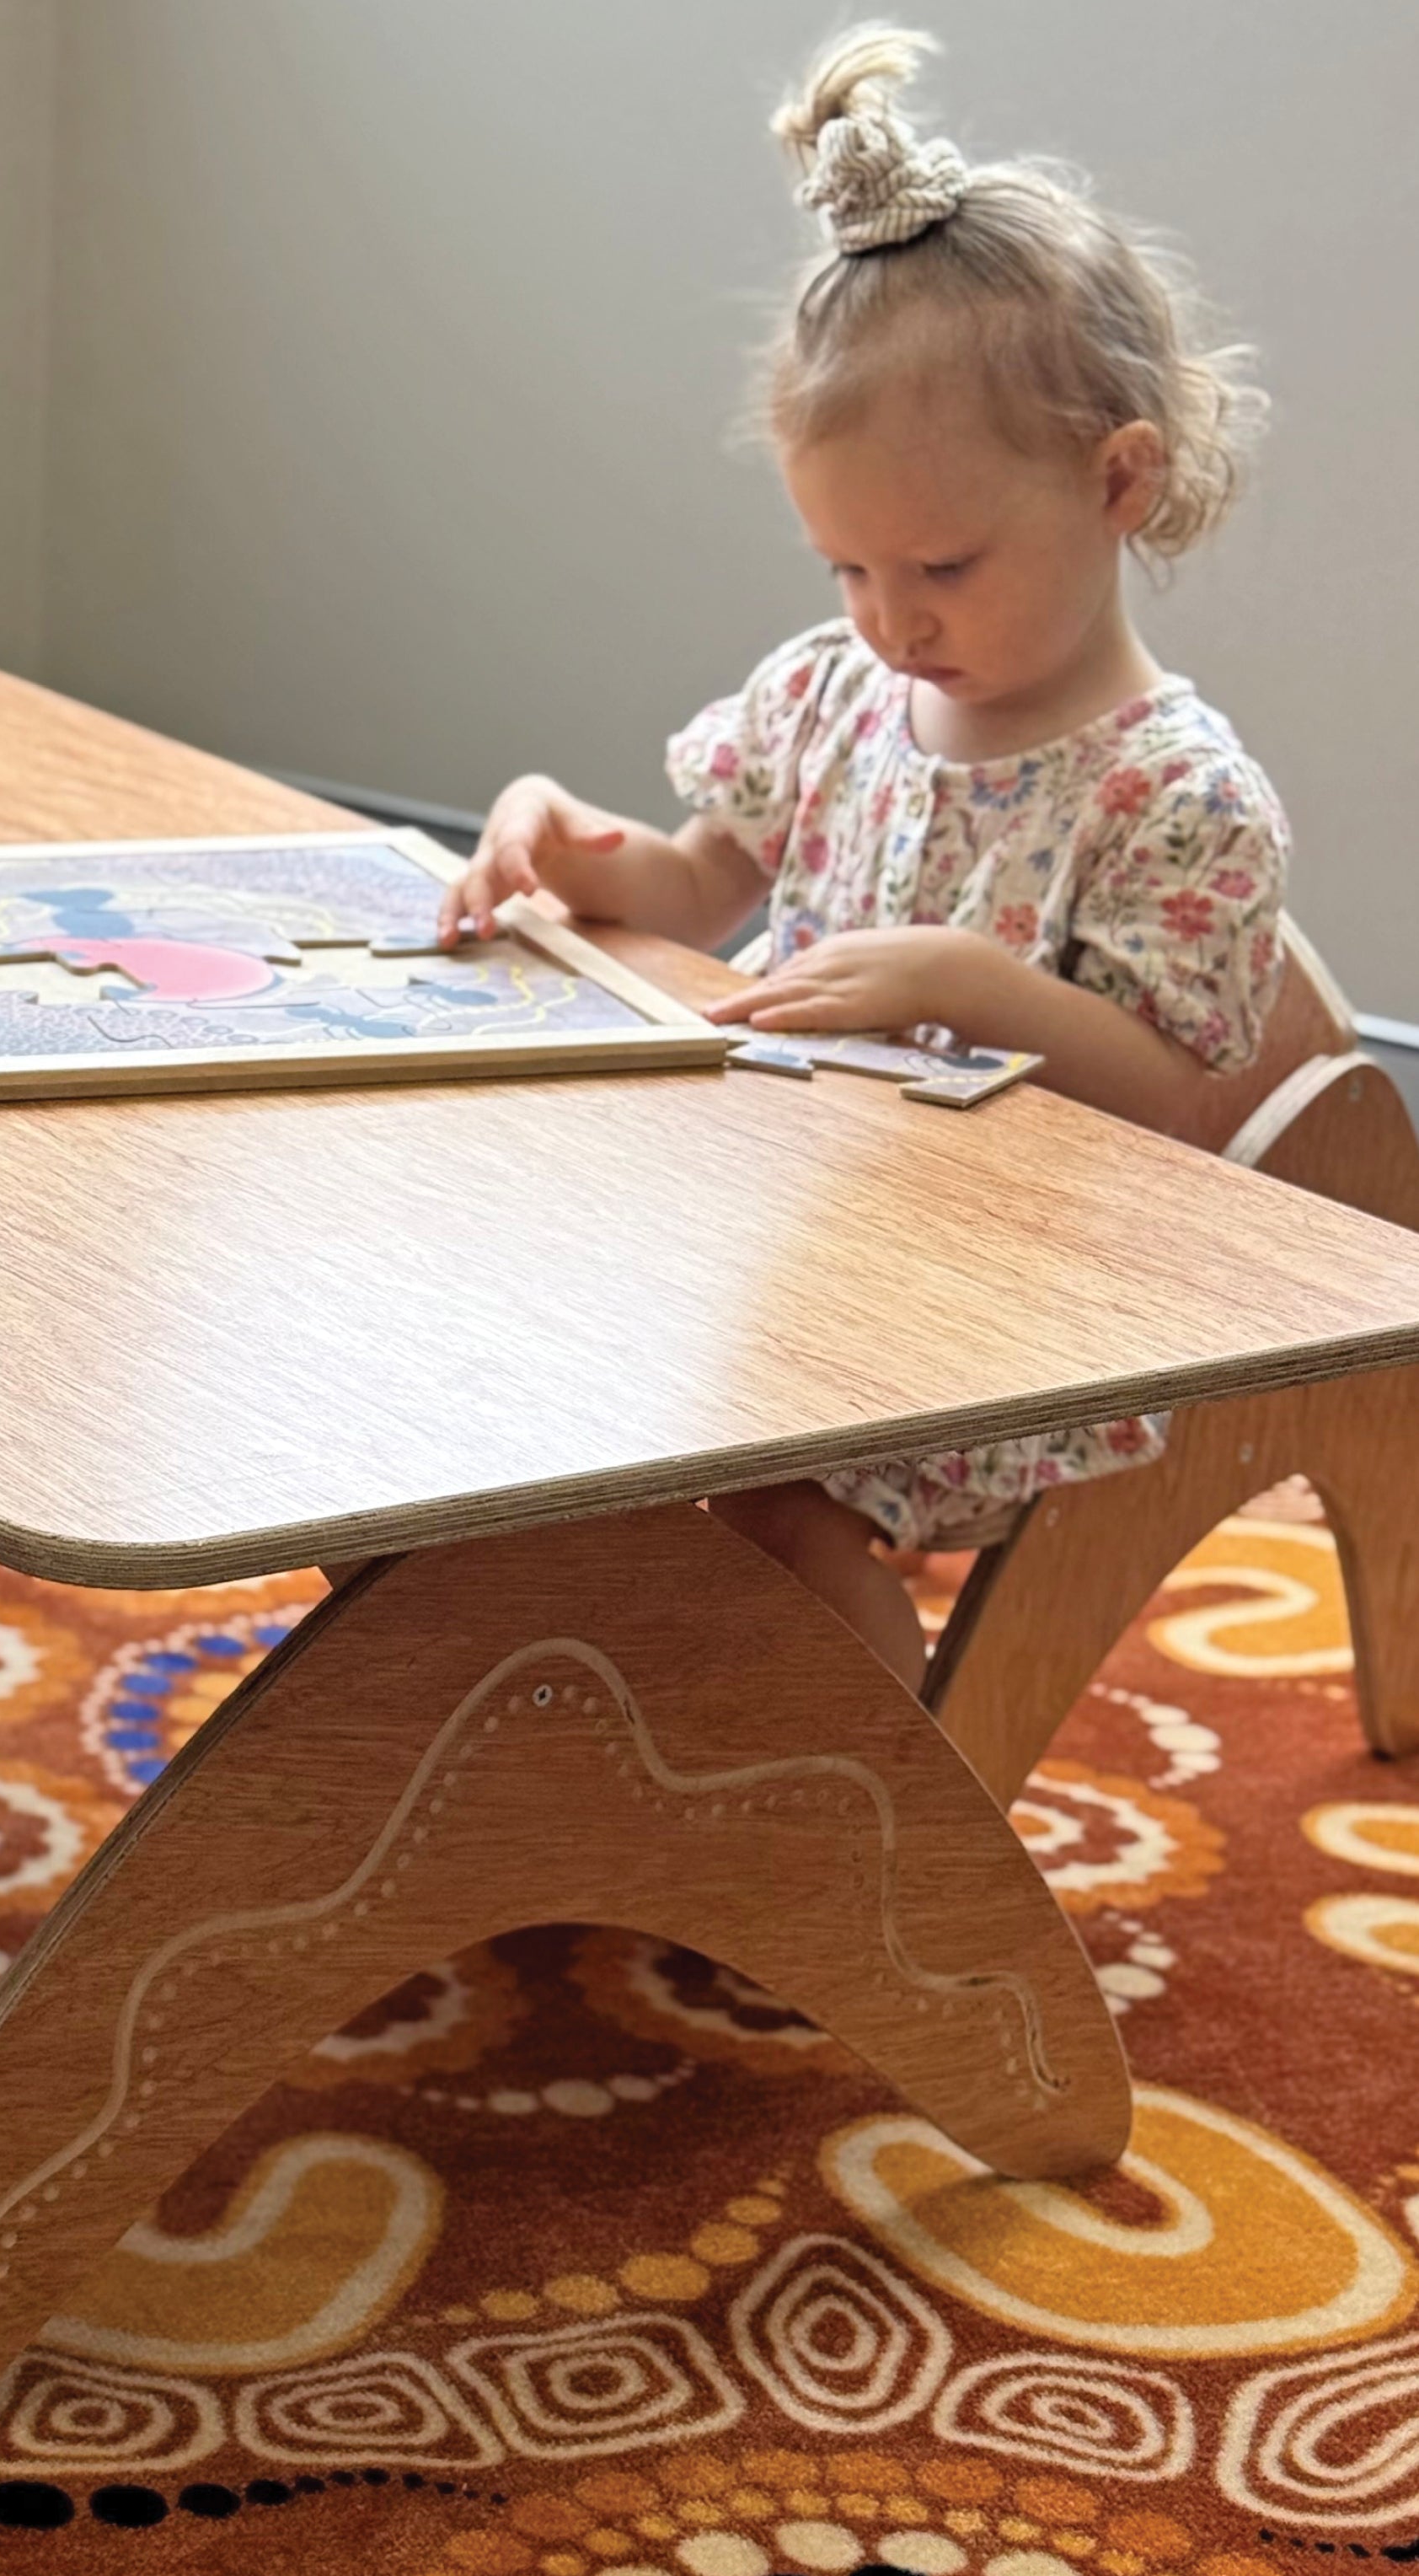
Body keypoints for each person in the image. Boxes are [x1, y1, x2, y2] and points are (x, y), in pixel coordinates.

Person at [435, 22, 1285, 1692]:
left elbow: (1182, 1113)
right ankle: (535, 1721)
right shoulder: (838, 695)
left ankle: (857, 1831)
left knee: (765, 1503)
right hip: (790, 1225)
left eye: (942, 566)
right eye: (846, 570)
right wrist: (556, 837)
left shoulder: (1175, 794)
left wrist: (975, 987)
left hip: (1011, 1303)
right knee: (500, 1362)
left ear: (1120, 480)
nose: (891, 622)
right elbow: (692, 888)